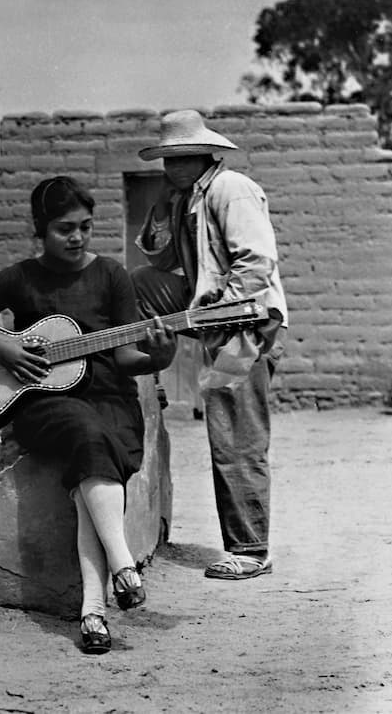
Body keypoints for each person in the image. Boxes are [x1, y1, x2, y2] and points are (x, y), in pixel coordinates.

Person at [0, 176, 176, 655]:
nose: (78, 237)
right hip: (43, 403)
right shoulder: (22, 277)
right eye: (65, 228)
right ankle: (122, 563)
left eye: (86, 227)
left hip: (110, 397)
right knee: (87, 435)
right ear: (40, 229)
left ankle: (94, 613)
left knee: (95, 449)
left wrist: (160, 359)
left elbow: (127, 358)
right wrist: (3, 344)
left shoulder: (111, 275)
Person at [130, 109, 288, 581]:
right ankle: (144, 374)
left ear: (206, 154)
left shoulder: (229, 188)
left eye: (184, 157)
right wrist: (162, 206)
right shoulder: (184, 199)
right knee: (137, 284)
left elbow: (255, 262)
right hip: (210, 313)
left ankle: (250, 549)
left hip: (244, 323)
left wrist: (222, 313)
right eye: (167, 159)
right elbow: (159, 258)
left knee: (234, 432)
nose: (174, 166)